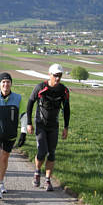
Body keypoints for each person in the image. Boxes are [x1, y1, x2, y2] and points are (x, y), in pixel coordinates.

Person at [27, 63, 70, 192]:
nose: (57, 78)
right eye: (55, 75)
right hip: (40, 124)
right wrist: (29, 123)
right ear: (49, 74)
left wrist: (66, 127)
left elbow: (67, 109)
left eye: (60, 76)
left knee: (51, 153)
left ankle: (47, 180)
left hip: (54, 126)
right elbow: (30, 103)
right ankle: (37, 172)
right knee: (42, 151)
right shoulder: (41, 87)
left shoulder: (63, 90)